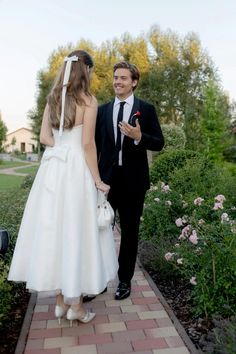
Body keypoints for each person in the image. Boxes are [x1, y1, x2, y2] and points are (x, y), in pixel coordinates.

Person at [8, 50, 118, 325]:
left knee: (55, 231)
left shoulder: (53, 99)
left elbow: (45, 137)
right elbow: (88, 145)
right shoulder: (88, 100)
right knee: (76, 232)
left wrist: (61, 150)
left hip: (52, 171)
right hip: (76, 173)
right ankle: (76, 307)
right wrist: (97, 180)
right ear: (87, 70)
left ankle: (60, 301)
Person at [95, 61, 164, 300]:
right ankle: (98, 280)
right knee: (98, 229)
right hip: (106, 182)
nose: (118, 82)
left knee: (130, 232)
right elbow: (93, 147)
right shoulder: (102, 111)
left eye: (123, 78)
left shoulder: (146, 109)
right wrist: (94, 177)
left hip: (134, 182)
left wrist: (139, 136)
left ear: (133, 82)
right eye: (116, 77)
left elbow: (159, 142)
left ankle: (124, 281)